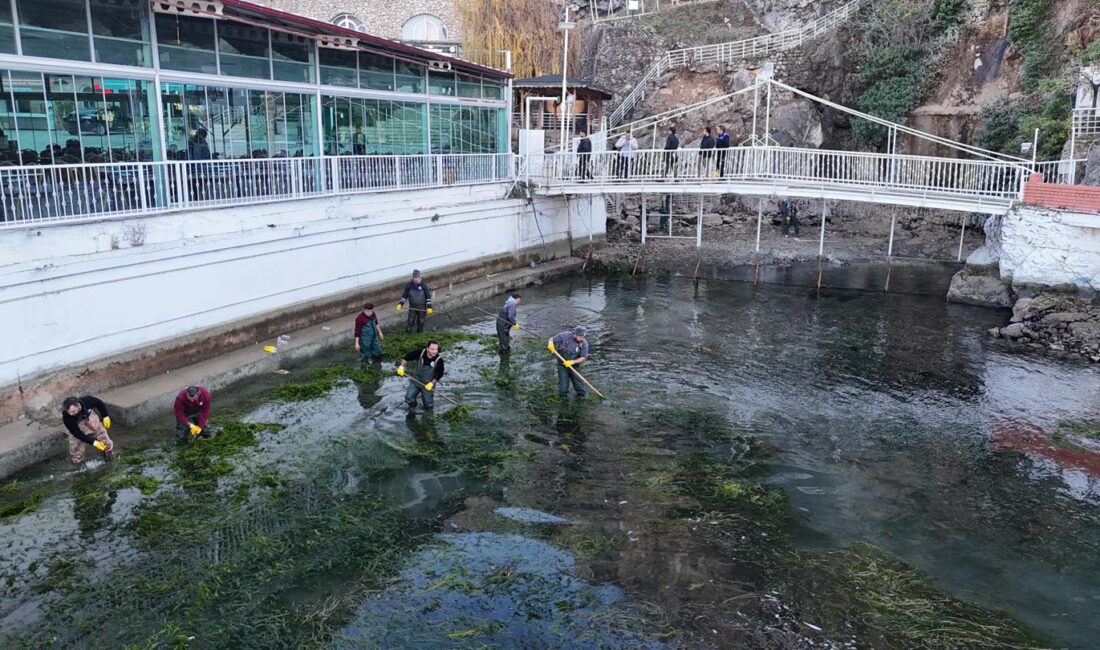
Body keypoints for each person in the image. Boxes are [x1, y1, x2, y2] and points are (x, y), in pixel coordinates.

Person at [61, 395, 115, 464]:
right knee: (76, 448)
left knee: (105, 440)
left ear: (78, 405)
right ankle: (77, 464)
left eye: (73, 411)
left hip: (90, 419)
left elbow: (99, 403)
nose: (71, 414)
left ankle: (108, 458)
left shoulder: (87, 400)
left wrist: (105, 416)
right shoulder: (67, 417)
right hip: (77, 428)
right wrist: (94, 442)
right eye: (69, 412)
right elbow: (77, 433)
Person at [397, 341, 445, 410]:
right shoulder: (420, 353)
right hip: (416, 381)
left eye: (436, 349)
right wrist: (401, 367)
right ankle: (413, 408)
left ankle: (427, 415)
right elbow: (407, 357)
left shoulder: (439, 360)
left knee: (428, 405)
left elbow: (440, 373)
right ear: (427, 348)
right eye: (432, 349)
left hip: (428, 385)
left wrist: (431, 383)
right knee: (408, 398)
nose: (434, 351)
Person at [547, 326, 590, 398]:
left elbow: (583, 358)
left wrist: (572, 362)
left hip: (575, 366)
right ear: (575, 334)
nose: (582, 339)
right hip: (562, 365)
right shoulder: (564, 336)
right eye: (580, 337)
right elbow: (551, 339)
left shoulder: (584, 343)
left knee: (579, 387)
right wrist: (550, 344)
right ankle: (564, 403)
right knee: (563, 389)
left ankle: (581, 399)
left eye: (583, 337)